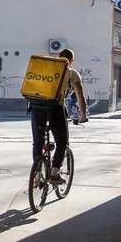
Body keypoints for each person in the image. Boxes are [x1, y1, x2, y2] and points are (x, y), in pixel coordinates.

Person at [32, 49, 87, 185]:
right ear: (71, 60)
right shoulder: (72, 73)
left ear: (58, 57)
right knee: (62, 143)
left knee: (38, 143)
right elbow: (81, 97)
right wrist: (83, 115)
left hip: (36, 107)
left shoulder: (46, 69)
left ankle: (38, 176)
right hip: (55, 109)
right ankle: (55, 174)